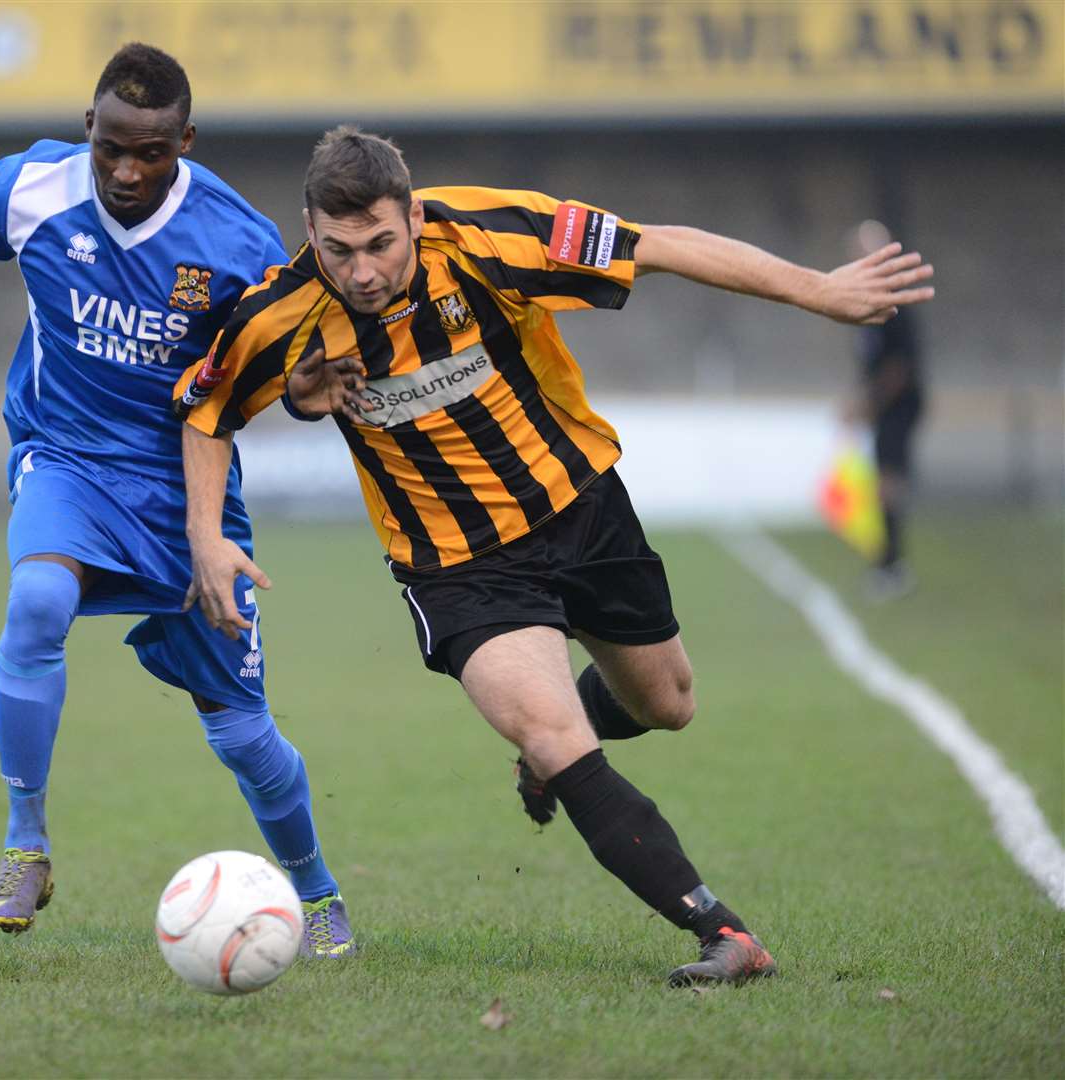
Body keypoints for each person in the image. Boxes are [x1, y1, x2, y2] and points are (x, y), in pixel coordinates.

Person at [176, 127, 934, 986]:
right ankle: (723, 933)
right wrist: (209, 536)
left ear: (415, 215)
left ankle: (552, 767)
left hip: (581, 510)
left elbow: (660, 246)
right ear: (310, 231)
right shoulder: (283, 312)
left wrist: (818, 290)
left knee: (667, 702)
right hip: (457, 565)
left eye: (382, 243)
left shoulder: (496, 233)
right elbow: (209, 409)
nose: (362, 271)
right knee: (553, 732)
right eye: (338, 249)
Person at [0, 45, 353, 954]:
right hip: (65, 459)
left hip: (183, 495)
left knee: (244, 733)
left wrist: (302, 391)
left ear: (187, 141)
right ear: (89, 127)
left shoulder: (241, 242)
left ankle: (320, 898)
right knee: (37, 600)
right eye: (113, 148)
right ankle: (26, 845)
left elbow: (271, 376)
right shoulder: (33, 189)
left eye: (153, 153)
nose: (128, 171)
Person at [847, 219, 928, 599]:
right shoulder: (863, 301)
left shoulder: (895, 300)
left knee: (889, 483)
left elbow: (900, 367)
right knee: (882, 481)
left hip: (900, 404)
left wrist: (869, 403)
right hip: (885, 404)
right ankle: (888, 561)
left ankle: (892, 565)